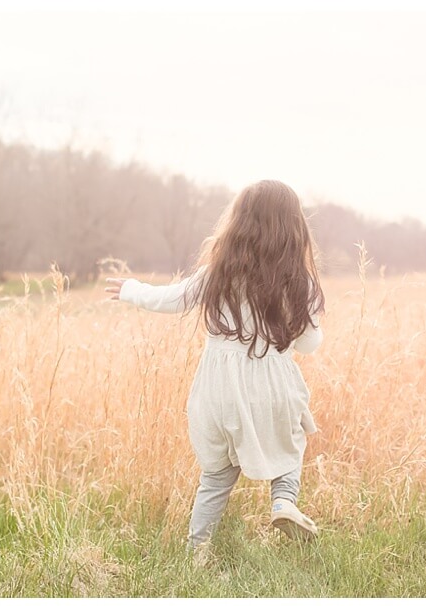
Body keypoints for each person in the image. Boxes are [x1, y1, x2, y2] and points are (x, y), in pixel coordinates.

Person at [105, 179, 325, 551]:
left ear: (238, 223)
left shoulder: (218, 274)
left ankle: (197, 551)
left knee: (217, 474)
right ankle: (283, 501)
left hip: (220, 389)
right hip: (273, 385)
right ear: (294, 229)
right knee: (290, 443)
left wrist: (131, 289)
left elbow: (172, 299)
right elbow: (310, 344)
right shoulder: (299, 283)